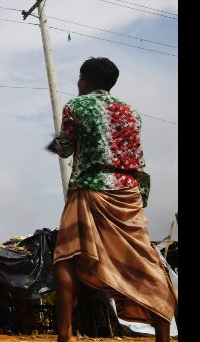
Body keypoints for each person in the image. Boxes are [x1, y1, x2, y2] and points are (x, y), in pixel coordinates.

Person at [46, 57, 175, 342]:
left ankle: (64, 335)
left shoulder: (76, 106)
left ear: (85, 80)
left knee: (65, 256)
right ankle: (164, 337)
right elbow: (138, 156)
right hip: (129, 193)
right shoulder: (131, 112)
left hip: (90, 189)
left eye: (79, 78)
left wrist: (56, 141)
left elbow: (64, 149)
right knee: (145, 263)